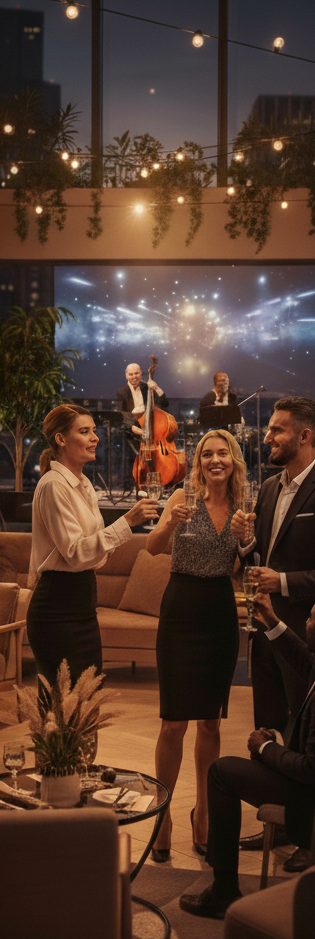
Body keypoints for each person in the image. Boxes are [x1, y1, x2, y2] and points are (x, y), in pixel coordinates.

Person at [179, 591, 315, 921]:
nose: (307, 620)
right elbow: (304, 661)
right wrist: (270, 618)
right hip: (305, 784)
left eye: (312, 617)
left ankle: (223, 892)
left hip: (308, 801)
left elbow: (311, 770)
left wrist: (267, 749)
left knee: (221, 773)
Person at [146, 429, 246, 861]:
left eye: (223, 453)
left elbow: (244, 570)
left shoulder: (244, 509)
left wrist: (245, 540)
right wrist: (168, 522)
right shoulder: (180, 501)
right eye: (207, 454)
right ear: (199, 461)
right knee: (172, 723)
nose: (215, 460)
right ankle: (163, 814)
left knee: (211, 723)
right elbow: (151, 549)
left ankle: (203, 813)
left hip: (221, 615)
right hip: (181, 613)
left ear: (234, 460)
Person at [27, 404, 158, 687]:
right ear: (61, 439)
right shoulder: (53, 485)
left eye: (94, 431)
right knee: (61, 708)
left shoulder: (84, 484)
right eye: (84, 431)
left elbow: (93, 557)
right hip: (56, 608)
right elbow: (76, 553)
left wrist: (108, 540)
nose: (95, 438)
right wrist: (127, 522)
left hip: (83, 604)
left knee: (87, 703)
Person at [231, 396, 315, 735]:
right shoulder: (268, 488)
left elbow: (275, 572)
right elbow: (258, 558)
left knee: (302, 734)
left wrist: (280, 581)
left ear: (305, 436)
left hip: (304, 637)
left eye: (276, 430)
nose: (266, 438)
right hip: (264, 632)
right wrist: (245, 540)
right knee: (265, 730)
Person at [116, 362, 169, 447]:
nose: (134, 377)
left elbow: (165, 403)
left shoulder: (147, 387)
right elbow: (123, 416)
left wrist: (156, 387)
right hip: (133, 432)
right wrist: (138, 431)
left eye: (136, 373)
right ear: (126, 376)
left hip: (152, 428)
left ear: (141, 373)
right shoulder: (122, 392)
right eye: (131, 374)